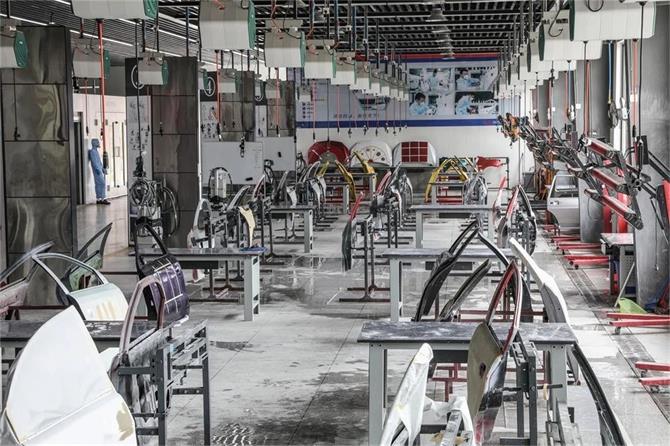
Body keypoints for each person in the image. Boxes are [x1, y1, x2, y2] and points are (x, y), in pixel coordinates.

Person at [89, 138, 110, 205]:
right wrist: (97, 169)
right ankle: (102, 198)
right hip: (97, 170)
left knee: (99, 184)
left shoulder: (96, 151)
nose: (98, 143)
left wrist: (103, 169)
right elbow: (94, 162)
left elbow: (99, 162)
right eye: (97, 142)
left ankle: (99, 199)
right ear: (94, 143)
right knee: (101, 183)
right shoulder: (92, 152)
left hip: (100, 169)